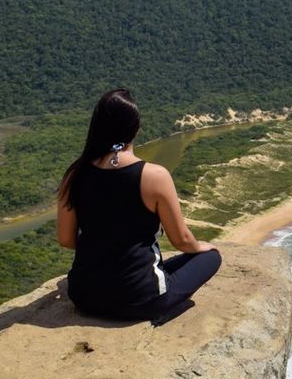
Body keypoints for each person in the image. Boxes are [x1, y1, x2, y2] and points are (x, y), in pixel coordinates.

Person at [56, 88, 220, 322]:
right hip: (140, 301)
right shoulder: (155, 176)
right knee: (211, 257)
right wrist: (201, 246)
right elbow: (181, 240)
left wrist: (103, 249)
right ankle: (163, 313)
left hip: (84, 296)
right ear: (136, 129)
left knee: (160, 266)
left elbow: (65, 239)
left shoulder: (75, 174)